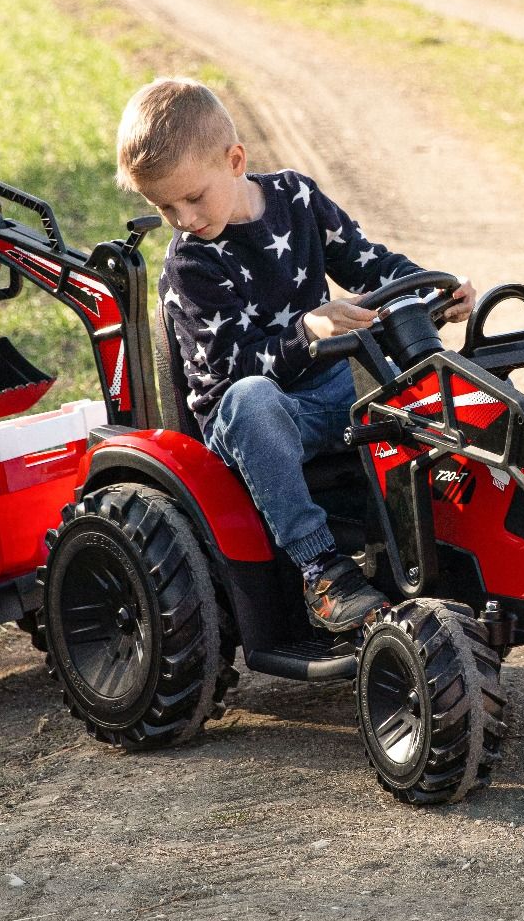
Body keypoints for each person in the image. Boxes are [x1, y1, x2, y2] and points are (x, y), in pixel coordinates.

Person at [115, 77, 474, 632]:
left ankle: (458, 524)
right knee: (253, 399)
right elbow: (230, 373)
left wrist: (434, 295)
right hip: (249, 419)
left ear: (235, 160)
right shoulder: (191, 267)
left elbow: (369, 265)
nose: (183, 218)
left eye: (192, 197)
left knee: (416, 363)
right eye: (165, 207)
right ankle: (321, 567)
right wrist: (306, 334)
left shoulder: (296, 200)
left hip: (331, 394)